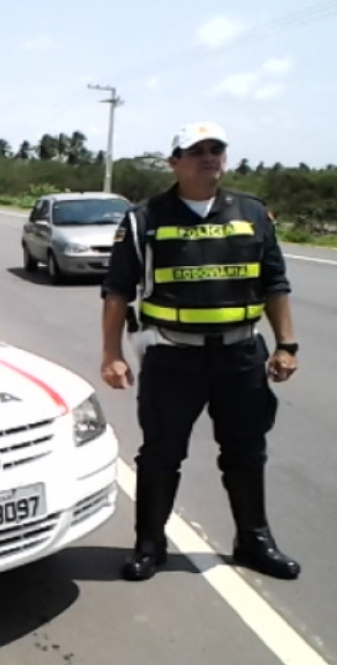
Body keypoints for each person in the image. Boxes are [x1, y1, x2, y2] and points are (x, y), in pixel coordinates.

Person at [100, 120, 302, 582]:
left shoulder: (252, 213)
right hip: (173, 358)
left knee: (247, 453)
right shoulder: (144, 218)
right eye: (197, 150)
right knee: (161, 455)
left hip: (241, 356)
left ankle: (254, 541)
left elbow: (275, 284)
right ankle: (150, 544)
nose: (209, 156)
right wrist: (111, 354)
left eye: (216, 149)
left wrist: (286, 344)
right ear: (175, 162)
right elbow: (116, 291)